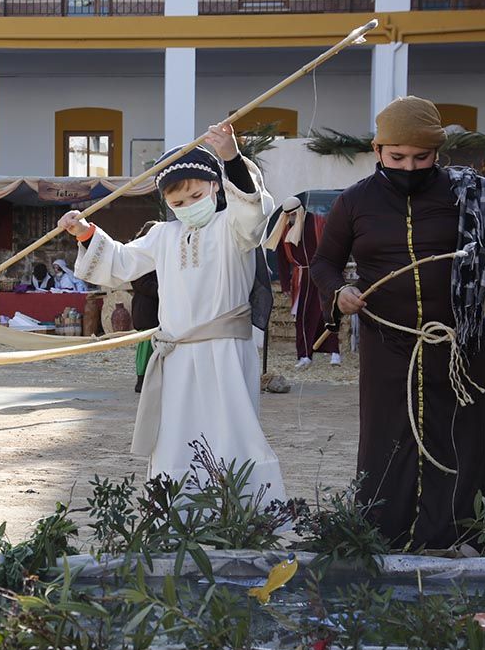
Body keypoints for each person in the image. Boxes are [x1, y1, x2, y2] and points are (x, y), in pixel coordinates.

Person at [310, 96, 485, 551]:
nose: (409, 167)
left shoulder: (466, 195)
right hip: (386, 345)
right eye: (396, 157)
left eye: (421, 157)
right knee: (386, 439)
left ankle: (455, 539)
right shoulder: (354, 202)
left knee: (458, 439)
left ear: (438, 153)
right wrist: (339, 293)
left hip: (458, 344)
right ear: (377, 151)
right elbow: (324, 263)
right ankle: (382, 538)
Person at [58, 135, 285, 504]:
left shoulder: (233, 229)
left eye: (196, 197)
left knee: (232, 432)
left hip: (225, 352)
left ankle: (244, 518)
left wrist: (230, 156)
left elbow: (253, 212)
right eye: (177, 202)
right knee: (177, 435)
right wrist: (84, 231)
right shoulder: (164, 235)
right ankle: (179, 519)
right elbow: (119, 262)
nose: (188, 206)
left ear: (215, 186)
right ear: (165, 202)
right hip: (177, 358)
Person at [265, 193, 342, 369]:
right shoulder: (285, 229)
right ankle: (304, 355)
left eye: (293, 214)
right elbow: (282, 259)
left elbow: (333, 247)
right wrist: (285, 284)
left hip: (321, 275)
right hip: (302, 278)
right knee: (303, 317)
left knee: (328, 312)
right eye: (288, 215)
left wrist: (334, 272)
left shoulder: (318, 222)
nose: (290, 218)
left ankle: (335, 353)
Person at [129, 221, 160, 394]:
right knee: (146, 346)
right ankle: (142, 380)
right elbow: (142, 283)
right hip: (146, 309)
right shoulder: (138, 256)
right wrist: (165, 290)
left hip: (158, 308)